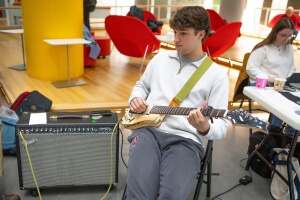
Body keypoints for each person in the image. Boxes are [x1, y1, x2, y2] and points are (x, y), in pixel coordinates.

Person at [125, 6, 229, 200]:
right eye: (174, 32)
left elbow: (222, 126)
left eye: (183, 33)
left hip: (186, 140)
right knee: (139, 195)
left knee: (171, 196)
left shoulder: (217, 76)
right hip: (148, 132)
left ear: (201, 34)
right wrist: (136, 98)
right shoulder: (160, 59)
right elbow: (142, 86)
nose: (176, 39)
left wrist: (205, 127)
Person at [246, 17, 296, 135]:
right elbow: (250, 68)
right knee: (280, 102)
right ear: (275, 32)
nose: (286, 39)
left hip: (281, 85)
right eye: (283, 35)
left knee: (295, 101)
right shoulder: (263, 48)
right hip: (262, 84)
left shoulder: (288, 48)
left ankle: (290, 134)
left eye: (289, 36)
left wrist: (288, 79)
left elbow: (292, 68)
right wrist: (269, 78)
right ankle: (274, 134)